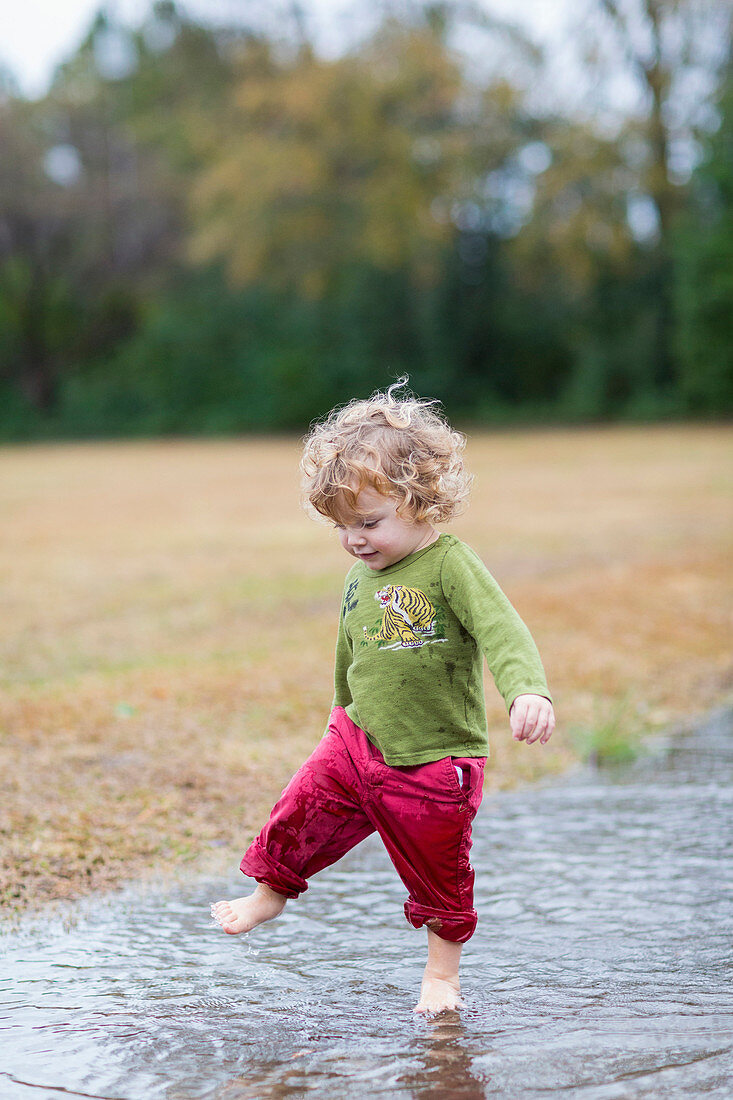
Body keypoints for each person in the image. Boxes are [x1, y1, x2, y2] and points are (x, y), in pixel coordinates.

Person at [211, 381, 555, 1014]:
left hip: (433, 759)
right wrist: (338, 717)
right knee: (299, 808)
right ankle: (272, 889)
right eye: (341, 526)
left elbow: (503, 630)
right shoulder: (357, 576)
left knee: (438, 869)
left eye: (369, 523)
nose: (355, 540)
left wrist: (526, 689)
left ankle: (441, 975)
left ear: (421, 500)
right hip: (356, 737)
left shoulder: (451, 564)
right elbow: (351, 655)